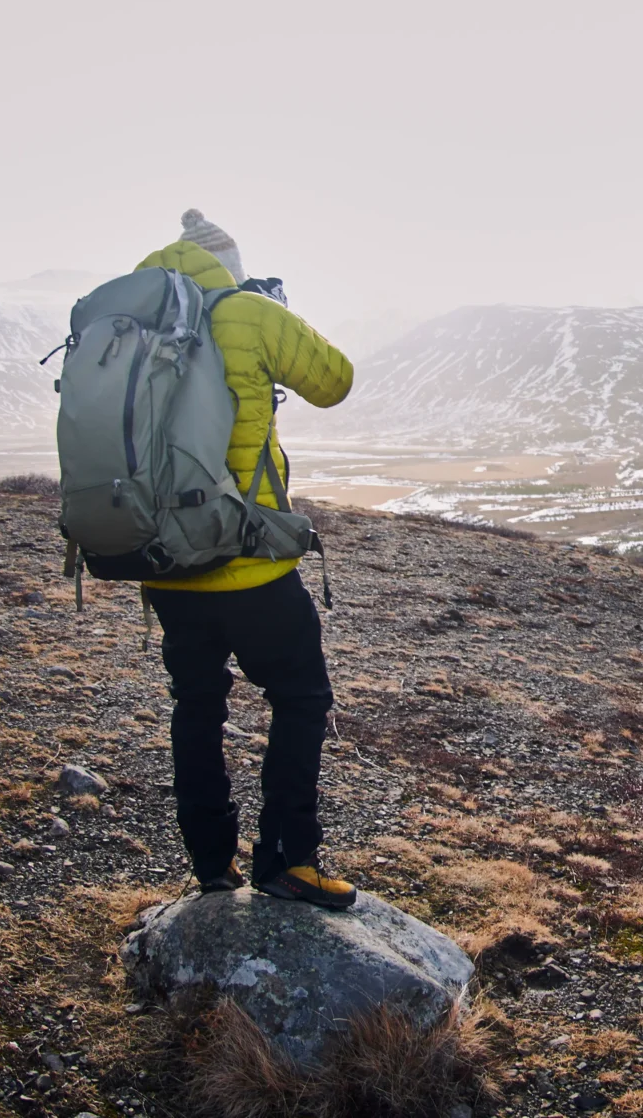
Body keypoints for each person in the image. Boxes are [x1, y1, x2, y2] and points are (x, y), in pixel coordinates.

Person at [138, 210, 359, 909]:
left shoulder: (133, 322)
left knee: (196, 706)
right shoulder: (247, 311)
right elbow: (335, 380)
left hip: (165, 563)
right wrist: (270, 311)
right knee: (299, 696)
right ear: (228, 267)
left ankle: (210, 866)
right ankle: (288, 859)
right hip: (249, 561)